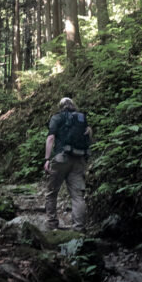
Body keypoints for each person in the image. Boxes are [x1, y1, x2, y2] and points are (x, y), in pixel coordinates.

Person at [44, 97, 93, 231]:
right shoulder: (81, 118)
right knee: (78, 196)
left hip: (61, 158)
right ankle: (78, 228)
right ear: (73, 105)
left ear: (60, 106)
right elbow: (89, 137)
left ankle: (52, 224)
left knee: (51, 193)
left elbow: (51, 137)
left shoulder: (57, 117)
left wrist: (47, 159)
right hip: (79, 159)